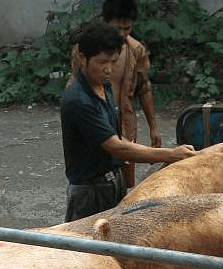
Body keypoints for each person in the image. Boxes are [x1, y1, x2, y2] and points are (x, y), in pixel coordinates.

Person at [61, 19, 197, 222]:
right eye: (101, 62)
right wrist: (169, 154)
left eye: (113, 62)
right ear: (83, 58)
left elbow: (116, 136)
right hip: (90, 192)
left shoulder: (103, 87)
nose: (108, 69)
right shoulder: (79, 100)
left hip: (112, 181)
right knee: (85, 249)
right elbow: (116, 147)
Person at [68, 0, 161, 189]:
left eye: (127, 29)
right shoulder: (85, 52)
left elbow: (144, 88)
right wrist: (172, 154)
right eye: (117, 28)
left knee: (124, 185)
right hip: (96, 123)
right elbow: (77, 86)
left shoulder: (135, 50)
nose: (122, 34)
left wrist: (154, 127)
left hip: (124, 125)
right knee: (93, 179)